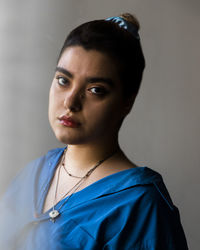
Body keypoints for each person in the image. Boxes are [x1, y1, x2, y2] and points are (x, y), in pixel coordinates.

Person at [0, 13, 188, 250]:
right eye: (63, 80)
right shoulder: (33, 175)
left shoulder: (140, 206)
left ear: (127, 101)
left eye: (95, 89)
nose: (70, 102)